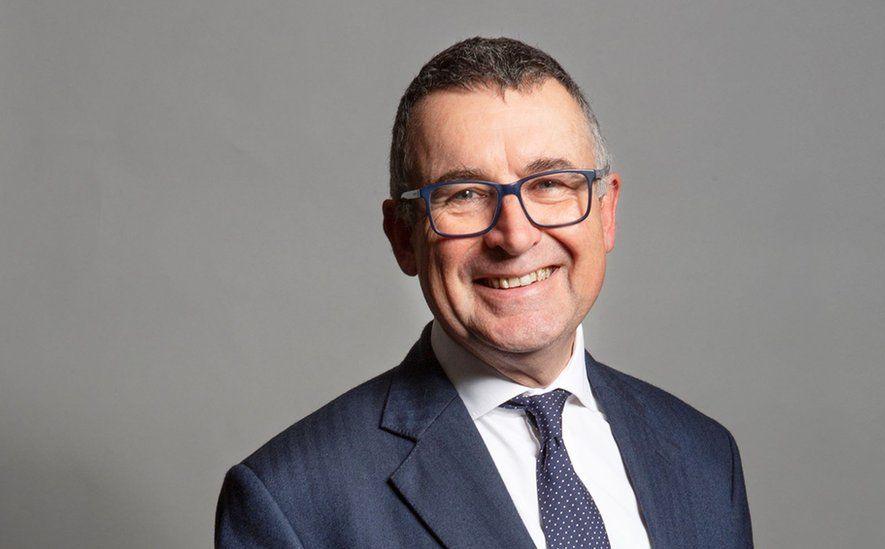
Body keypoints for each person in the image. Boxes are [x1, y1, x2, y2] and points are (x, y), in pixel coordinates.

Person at [216, 36, 753, 548]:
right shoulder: (291, 505)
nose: (514, 236)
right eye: (466, 194)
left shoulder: (703, 456)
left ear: (607, 212)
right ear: (403, 236)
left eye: (549, 184)